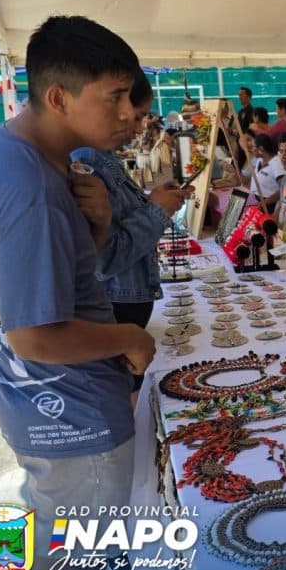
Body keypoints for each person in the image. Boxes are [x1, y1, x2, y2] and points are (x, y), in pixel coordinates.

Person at [0, 15, 156, 570]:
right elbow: (36, 334)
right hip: (69, 411)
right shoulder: (32, 187)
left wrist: (93, 231)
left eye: (130, 95)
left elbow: (38, 279)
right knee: (74, 563)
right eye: (114, 97)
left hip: (33, 401)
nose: (128, 113)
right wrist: (130, 335)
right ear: (59, 97)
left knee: (59, 547)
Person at [70, 70, 191, 401]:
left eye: (141, 117)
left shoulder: (101, 156)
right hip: (116, 304)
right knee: (128, 401)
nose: (137, 126)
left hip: (126, 302)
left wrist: (152, 199)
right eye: (135, 117)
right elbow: (105, 257)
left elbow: (117, 221)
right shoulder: (87, 159)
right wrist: (157, 210)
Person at [249, 132, 284, 213]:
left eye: (253, 147)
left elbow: (284, 190)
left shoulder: (277, 163)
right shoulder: (259, 161)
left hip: (270, 206)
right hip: (257, 203)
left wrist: (263, 203)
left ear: (261, 149)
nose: (252, 149)